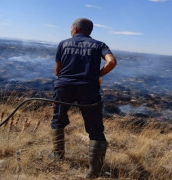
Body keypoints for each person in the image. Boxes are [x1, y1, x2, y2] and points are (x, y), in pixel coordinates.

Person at [50, 18, 117, 178]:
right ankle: (94, 171)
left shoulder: (63, 43)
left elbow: (57, 71)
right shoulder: (99, 44)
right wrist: (98, 74)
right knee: (95, 129)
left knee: (57, 121)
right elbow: (112, 62)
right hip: (89, 89)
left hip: (63, 87)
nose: (70, 31)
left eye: (71, 28)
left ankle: (57, 157)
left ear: (76, 29)